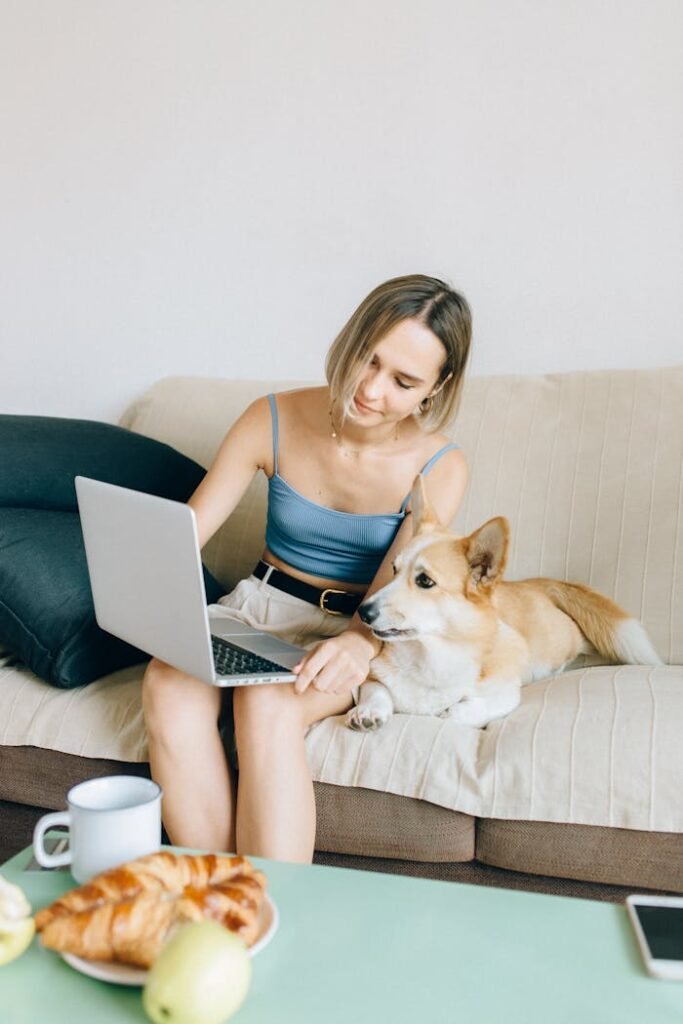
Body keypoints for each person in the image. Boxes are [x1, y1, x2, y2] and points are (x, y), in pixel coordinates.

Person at [142, 274, 472, 863]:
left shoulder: (441, 465)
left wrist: (358, 643)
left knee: (266, 703)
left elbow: (399, 590)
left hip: (359, 628)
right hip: (257, 607)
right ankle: (225, 900)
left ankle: (270, 904)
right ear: (349, 339)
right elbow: (182, 537)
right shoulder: (269, 417)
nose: (371, 390)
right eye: (368, 360)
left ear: (435, 387)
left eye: (403, 382)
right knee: (167, 684)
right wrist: (144, 593)